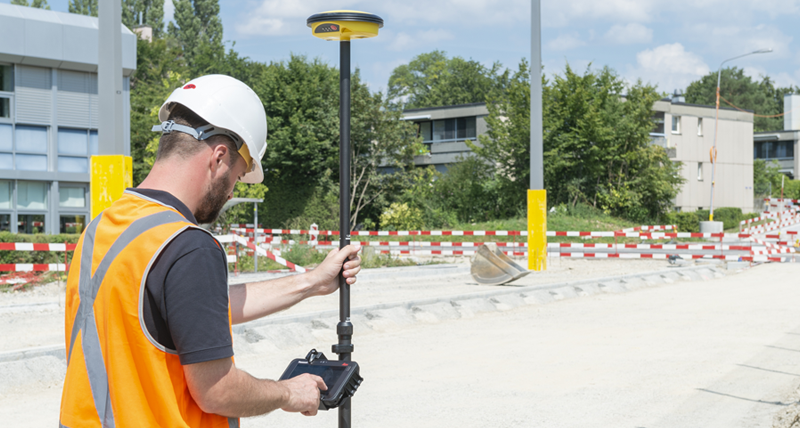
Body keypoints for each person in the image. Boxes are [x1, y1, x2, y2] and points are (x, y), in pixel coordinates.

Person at [58, 75, 361, 427]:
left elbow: (190, 312)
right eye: (238, 174)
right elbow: (217, 390)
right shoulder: (188, 246)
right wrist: (289, 392)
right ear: (218, 158)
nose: (233, 190)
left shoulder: (105, 229)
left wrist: (312, 282)